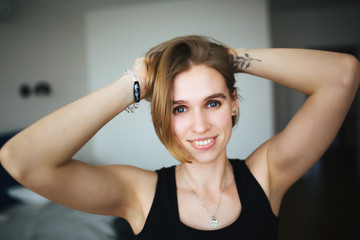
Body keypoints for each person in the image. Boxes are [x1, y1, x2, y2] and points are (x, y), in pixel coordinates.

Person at [0, 35, 359, 239]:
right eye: (179, 108)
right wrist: (133, 86)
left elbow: (343, 74)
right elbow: (20, 159)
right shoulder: (138, 193)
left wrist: (225, 59)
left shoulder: (268, 174)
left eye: (213, 102)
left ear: (233, 103)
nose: (200, 125)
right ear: (162, 116)